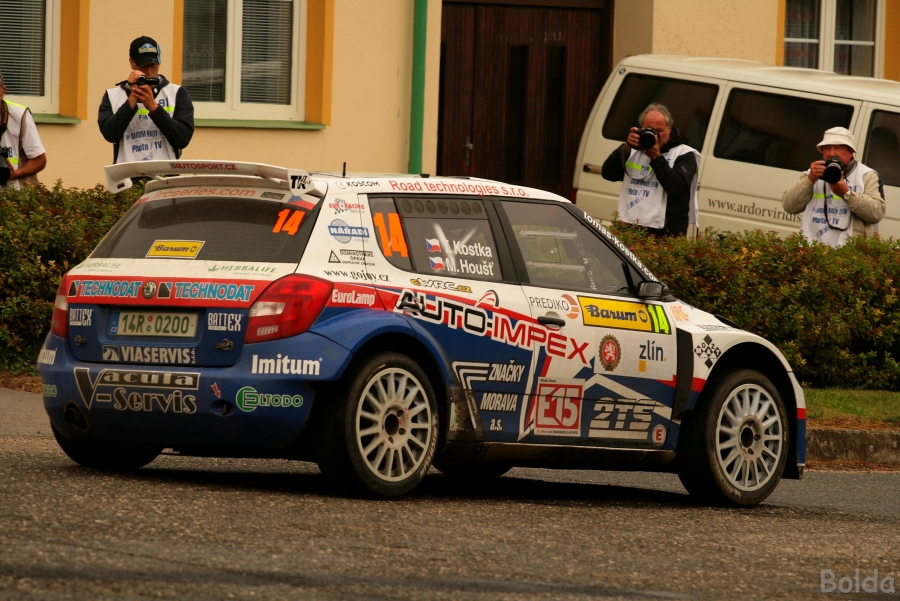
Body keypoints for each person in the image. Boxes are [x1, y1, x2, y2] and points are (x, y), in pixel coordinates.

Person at [600, 103, 700, 237]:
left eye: (659, 130)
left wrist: (656, 158)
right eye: (649, 130)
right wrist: (626, 148)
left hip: (665, 232)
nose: (655, 135)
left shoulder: (684, 153)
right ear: (641, 128)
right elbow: (608, 174)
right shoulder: (634, 149)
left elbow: (678, 189)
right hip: (629, 227)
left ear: (669, 128)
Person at [782, 127, 885, 247]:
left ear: (851, 151)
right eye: (827, 148)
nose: (831, 153)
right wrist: (809, 180)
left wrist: (846, 194)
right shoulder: (813, 173)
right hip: (812, 249)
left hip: (849, 252)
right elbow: (789, 206)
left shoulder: (866, 175)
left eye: (838, 148)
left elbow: (877, 213)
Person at [98, 36, 194, 164]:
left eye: (153, 65)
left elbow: (182, 139)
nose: (149, 71)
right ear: (132, 63)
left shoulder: (177, 93)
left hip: (165, 173)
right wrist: (132, 98)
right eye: (144, 66)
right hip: (127, 174)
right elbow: (110, 134)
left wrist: (153, 107)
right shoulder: (112, 96)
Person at [0, 71, 48, 189]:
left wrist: (15, 174)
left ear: (4, 91)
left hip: (13, 194)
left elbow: (39, 159)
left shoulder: (20, 115)